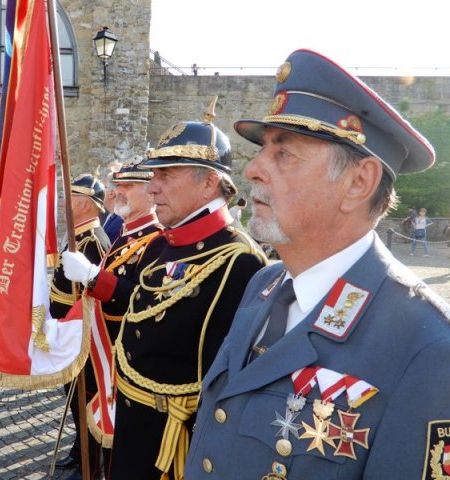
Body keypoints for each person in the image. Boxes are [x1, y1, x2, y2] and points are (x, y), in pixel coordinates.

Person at [184, 49, 450, 480]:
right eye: (262, 150)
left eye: (284, 154)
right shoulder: (265, 284)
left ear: (358, 182)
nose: (254, 168)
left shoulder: (429, 350)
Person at [108, 98, 267, 480]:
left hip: (174, 443)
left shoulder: (240, 261)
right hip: (133, 422)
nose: (153, 187)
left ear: (209, 181)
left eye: (167, 174)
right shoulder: (163, 243)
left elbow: (230, 383)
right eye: (153, 175)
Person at [61, 157, 165, 479]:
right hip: (99, 352)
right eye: (118, 185)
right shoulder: (124, 234)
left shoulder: (157, 240)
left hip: (122, 358)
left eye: (129, 186)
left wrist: (94, 277)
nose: (118, 192)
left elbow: (144, 299)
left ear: (151, 194)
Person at [49, 173, 111, 480]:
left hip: (81, 334)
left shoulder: (94, 242)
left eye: (69, 197)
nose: (63, 202)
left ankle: (90, 460)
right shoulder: (78, 237)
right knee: (75, 400)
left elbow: (94, 296)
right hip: (67, 331)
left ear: (86, 204)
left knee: (85, 399)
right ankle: (79, 449)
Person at [100, 163, 124, 243]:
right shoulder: (111, 216)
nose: (99, 192)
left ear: (111, 193)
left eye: (102, 188)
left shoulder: (120, 221)